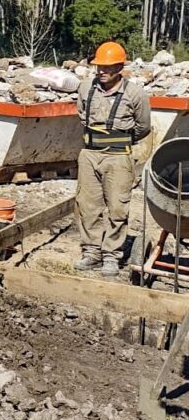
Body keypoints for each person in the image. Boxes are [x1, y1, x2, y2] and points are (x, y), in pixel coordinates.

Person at [74, 41, 151, 277]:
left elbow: (143, 127)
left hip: (118, 157)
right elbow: (81, 115)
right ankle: (92, 252)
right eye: (99, 67)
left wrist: (117, 140)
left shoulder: (135, 94)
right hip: (89, 154)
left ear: (119, 68)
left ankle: (111, 255)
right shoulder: (86, 88)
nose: (102, 71)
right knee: (87, 206)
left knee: (117, 208)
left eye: (107, 67)